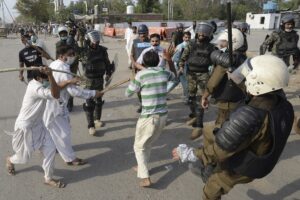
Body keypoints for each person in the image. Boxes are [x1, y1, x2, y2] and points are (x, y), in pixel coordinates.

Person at [172, 54, 294, 200]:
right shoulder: (281, 102)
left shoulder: (249, 116)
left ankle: (211, 171)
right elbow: (251, 88)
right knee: (209, 131)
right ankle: (210, 167)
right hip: (264, 152)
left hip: (249, 165)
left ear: (257, 82)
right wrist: (233, 70)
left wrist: (192, 154)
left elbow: (222, 150)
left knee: (212, 188)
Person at [6, 67, 75, 188]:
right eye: (47, 78)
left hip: (38, 124)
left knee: (50, 149)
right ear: (38, 78)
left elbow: (56, 87)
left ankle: (48, 178)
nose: (48, 80)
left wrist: (69, 81)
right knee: (23, 158)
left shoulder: (41, 83)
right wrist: (51, 76)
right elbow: (55, 93)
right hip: (25, 127)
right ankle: (10, 160)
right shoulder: (35, 88)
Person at [43, 45, 104, 165]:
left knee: (52, 129)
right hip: (57, 105)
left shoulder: (54, 64)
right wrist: (93, 93)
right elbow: (73, 91)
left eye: (73, 54)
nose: (72, 56)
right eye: (70, 54)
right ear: (61, 56)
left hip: (50, 103)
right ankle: (70, 159)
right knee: (64, 133)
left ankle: (49, 148)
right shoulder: (63, 68)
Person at [126, 50, 176, 187]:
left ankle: (145, 176)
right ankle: (141, 166)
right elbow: (175, 77)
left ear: (144, 62)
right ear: (158, 61)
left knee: (138, 146)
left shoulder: (141, 75)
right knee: (147, 144)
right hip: (163, 116)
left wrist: (133, 81)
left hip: (148, 117)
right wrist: (170, 60)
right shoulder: (164, 72)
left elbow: (128, 93)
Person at [201, 28, 246, 134]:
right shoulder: (243, 57)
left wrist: (205, 96)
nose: (221, 43)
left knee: (222, 126)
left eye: (224, 41)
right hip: (240, 98)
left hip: (227, 101)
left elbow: (213, 82)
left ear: (233, 42)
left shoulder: (228, 60)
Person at [178, 22, 217, 140]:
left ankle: (199, 126)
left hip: (204, 74)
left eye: (205, 32)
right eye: (200, 31)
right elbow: (183, 57)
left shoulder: (211, 48)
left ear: (209, 34)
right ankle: (194, 115)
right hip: (190, 74)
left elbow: (216, 63)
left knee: (201, 99)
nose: (202, 34)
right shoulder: (191, 44)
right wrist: (180, 67)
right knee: (190, 98)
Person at [79, 30, 114, 135]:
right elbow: (72, 50)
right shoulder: (83, 51)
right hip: (88, 80)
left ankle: (97, 119)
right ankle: (90, 126)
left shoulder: (102, 50)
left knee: (98, 101)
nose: (95, 44)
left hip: (99, 79)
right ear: (88, 40)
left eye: (97, 42)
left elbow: (107, 63)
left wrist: (108, 73)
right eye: (93, 42)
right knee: (89, 103)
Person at [56, 25, 80, 112]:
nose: (63, 35)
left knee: (71, 86)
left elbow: (77, 54)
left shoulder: (72, 42)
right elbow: (57, 57)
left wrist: (75, 64)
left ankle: (70, 104)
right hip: (63, 67)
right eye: (61, 34)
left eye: (64, 33)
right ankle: (63, 103)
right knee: (63, 85)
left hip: (72, 67)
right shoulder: (58, 44)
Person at [130, 24, 151, 113]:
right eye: (141, 33)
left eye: (144, 33)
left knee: (148, 88)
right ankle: (142, 104)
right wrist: (133, 63)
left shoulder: (151, 41)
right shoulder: (135, 42)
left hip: (148, 68)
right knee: (138, 88)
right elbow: (131, 55)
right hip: (137, 69)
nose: (142, 35)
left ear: (147, 33)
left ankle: (148, 105)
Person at [167, 31, 191, 102]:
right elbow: (175, 58)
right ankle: (186, 98)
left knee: (175, 82)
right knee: (185, 83)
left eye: (189, 37)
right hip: (181, 67)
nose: (187, 39)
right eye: (186, 37)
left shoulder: (190, 45)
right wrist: (178, 68)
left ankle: (163, 94)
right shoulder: (181, 46)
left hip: (184, 66)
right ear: (183, 38)